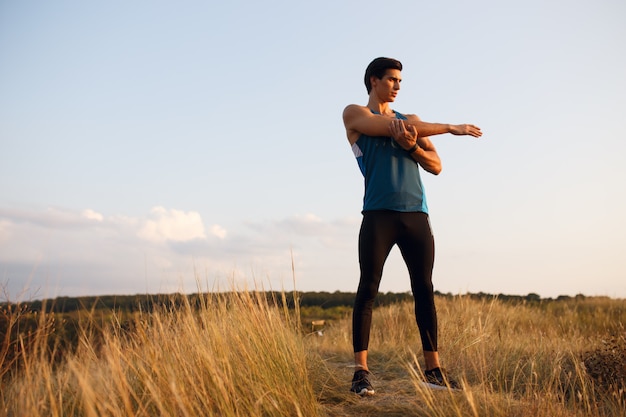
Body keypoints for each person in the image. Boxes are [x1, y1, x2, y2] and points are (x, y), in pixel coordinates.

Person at [342, 57, 482, 396]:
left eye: (400, 81)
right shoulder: (354, 114)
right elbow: (387, 129)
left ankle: (432, 369)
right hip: (378, 214)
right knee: (368, 290)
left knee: (424, 289)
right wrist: (450, 127)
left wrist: (413, 146)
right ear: (374, 81)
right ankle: (361, 372)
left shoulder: (413, 122)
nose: (398, 86)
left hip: (416, 214)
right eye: (391, 79)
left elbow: (436, 165)